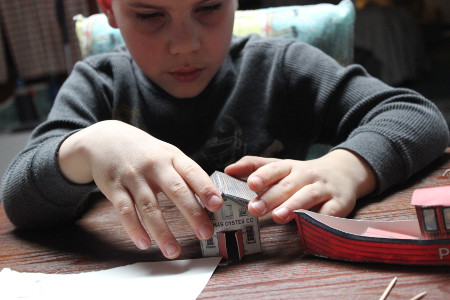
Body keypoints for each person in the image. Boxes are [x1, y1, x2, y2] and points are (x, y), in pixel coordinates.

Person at [1, 0, 448, 260]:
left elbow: (416, 114)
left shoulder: (284, 67)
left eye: (209, 7)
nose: (185, 44)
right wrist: (84, 147)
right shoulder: (97, 85)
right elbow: (20, 201)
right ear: (110, 10)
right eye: (149, 14)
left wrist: (348, 165)